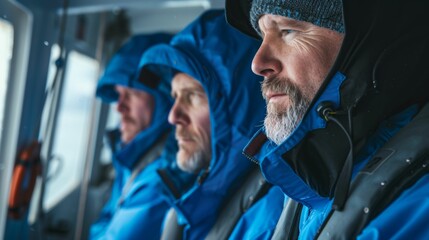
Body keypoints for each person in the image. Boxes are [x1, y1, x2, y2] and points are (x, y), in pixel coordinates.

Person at [226, 0, 429, 239]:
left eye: (287, 31)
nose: (257, 64)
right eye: (262, 36)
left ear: (364, 48)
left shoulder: (417, 206)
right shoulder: (311, 177)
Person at [137, 10, 285, 239]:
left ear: (237, 111)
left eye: (192, 96)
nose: (173, 116)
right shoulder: (189, 189)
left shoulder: (269, 218)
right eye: (174, 97)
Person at [90, 33, 176, 240]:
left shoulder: (164, 172)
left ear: (164, 99)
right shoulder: (132, 154)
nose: (119, 107)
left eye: (132, 94)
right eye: (119, 95)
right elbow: (107, 219)